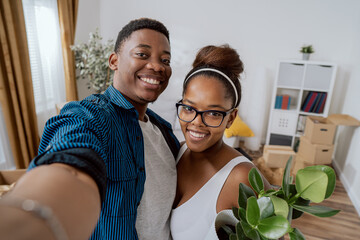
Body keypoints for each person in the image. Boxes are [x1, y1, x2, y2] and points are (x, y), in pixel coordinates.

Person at [0, 18, 179, 240]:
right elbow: (72, 164)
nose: (157, 66)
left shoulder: (164, 130)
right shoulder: (89, 116)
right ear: (114, 61)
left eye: (165, 60)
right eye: (142, 54)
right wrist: (28, 218)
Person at [170, 44, 270, 240]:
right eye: (189, 109)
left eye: (214, 113)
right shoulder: (177, 152)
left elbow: (275, 231)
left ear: (231, 118)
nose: (196, 123)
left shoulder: (241, 177)